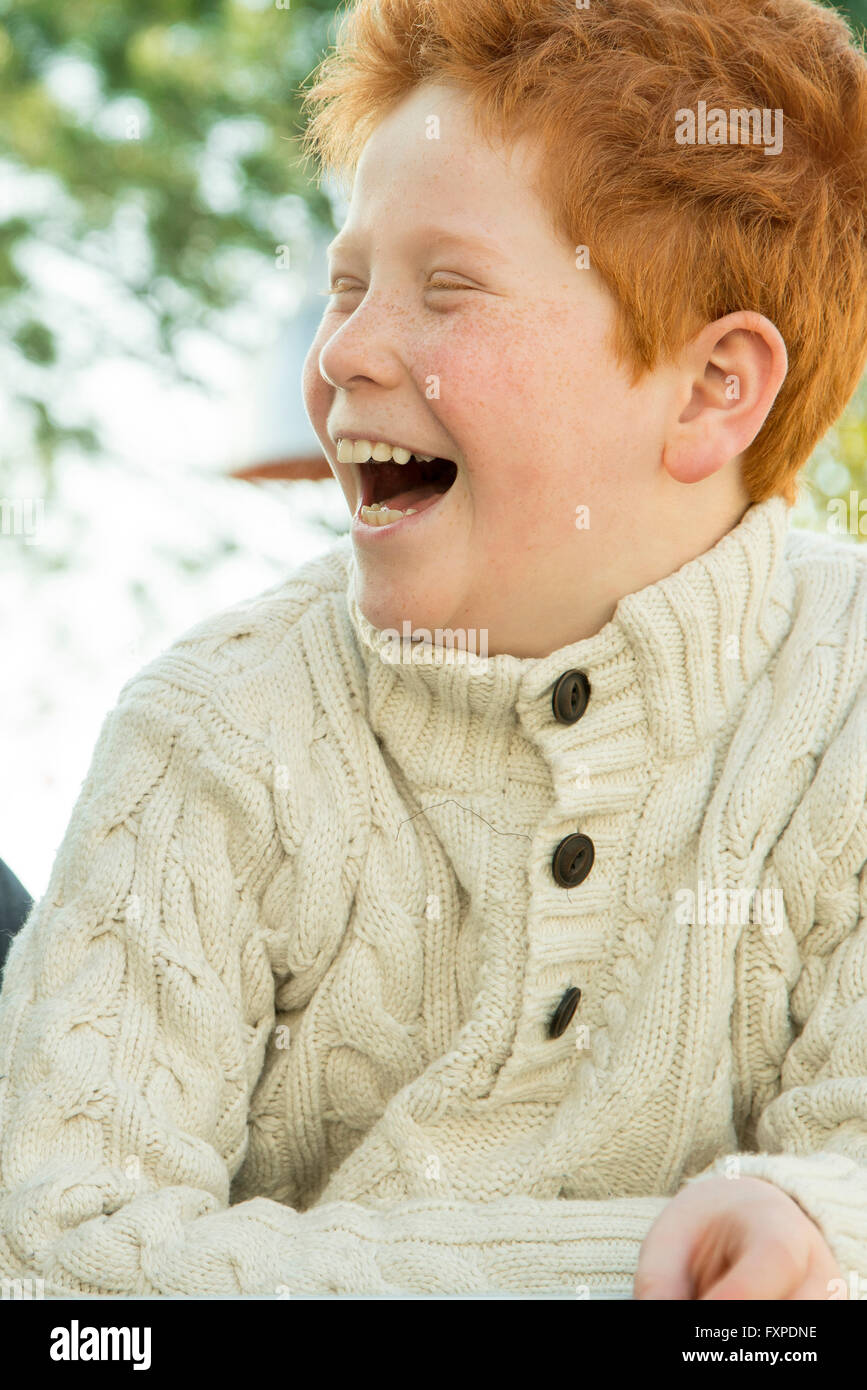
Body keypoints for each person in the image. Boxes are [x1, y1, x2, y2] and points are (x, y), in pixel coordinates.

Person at [1, 0, 866, 1299]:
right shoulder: (212, 725)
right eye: (345, 284)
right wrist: (651, 1269)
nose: (341, 349)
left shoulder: (845, 702)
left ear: (711, 389)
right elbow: (66, 1268)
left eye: (445, 287)